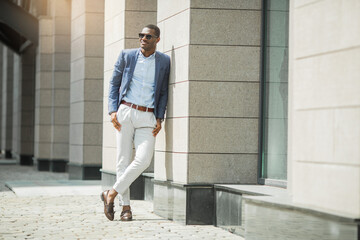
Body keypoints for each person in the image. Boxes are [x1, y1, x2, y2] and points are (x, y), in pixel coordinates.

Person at [101, 24, 170, 221]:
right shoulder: (127, 56)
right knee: (123, 160)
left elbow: (163, 91)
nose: (143, 39)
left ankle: (111, 194)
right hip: (126, 112)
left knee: (143, 160)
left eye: (148, 36)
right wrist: (113, 110)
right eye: (141, 35)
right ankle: (126, 208)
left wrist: (160, 117)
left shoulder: (164, 61)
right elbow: (114, 83)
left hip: (148, 116)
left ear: (157, 39)